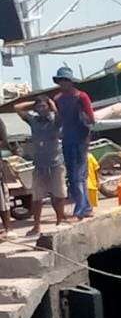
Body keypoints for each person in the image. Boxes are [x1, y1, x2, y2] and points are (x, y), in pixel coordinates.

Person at [14, 95, 68, 235]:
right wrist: (34, 103)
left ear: (48, 107)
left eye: (43, 106)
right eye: (39, 107)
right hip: (40, 164)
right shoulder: (34, 120)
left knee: (59, 194)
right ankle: (36, 226)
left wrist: (52, 104)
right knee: (37, 197)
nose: (41, 109)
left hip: (55, 163)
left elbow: (60, 117)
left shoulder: (54, 121)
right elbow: (17, 108)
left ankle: (60, 220)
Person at [52, 66, 95, 220]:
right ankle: (85, 207)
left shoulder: (81, 97)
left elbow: (91, 118)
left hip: (80, 140)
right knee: (73, 176)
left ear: (70, 82)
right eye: (61, 81)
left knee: (78, 175)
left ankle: (81, 208)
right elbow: (58, 121)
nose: (63, 83)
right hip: (68, 140)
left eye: (65, 80)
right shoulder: (58, 100)